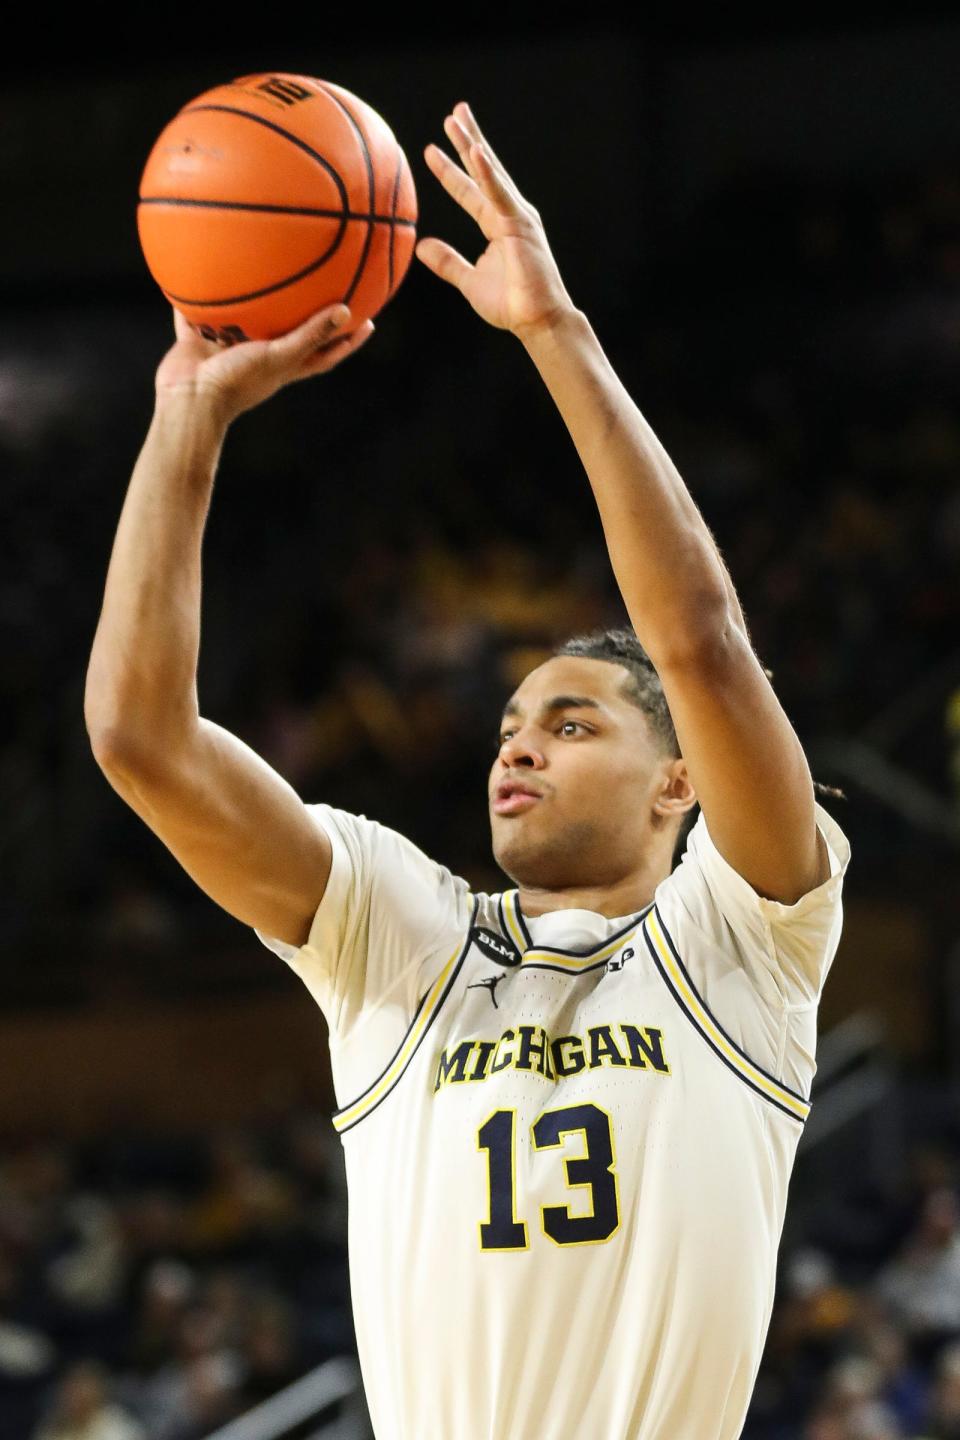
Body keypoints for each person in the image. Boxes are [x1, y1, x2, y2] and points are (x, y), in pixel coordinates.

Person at [85, 101, 851, 1440]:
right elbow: (138, 739)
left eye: (573, 721)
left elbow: (705, 644)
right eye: (511, 721)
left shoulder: (750, 936)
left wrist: (556, 333)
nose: (519, 741)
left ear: (681, 785)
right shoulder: (403, 933)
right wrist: (186, 427)